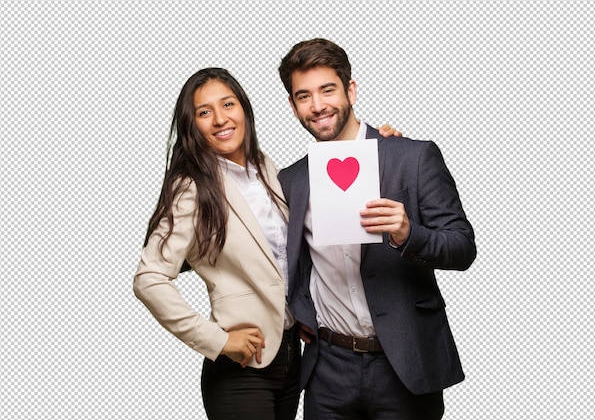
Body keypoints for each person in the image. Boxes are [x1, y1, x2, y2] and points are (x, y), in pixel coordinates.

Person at [133, 67, 400, 419]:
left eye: (228, 104)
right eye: (204, 112)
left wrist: (379, 145)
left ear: (244, 109)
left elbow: (297, 252)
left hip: (292, 359)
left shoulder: (268, 170)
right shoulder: (192, 187)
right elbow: (149, 279)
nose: (219, 119)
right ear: (192, 125)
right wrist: (218, 340)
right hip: (240, 367)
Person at [277, 38, 477, 419]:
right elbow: (286, 257)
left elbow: (463, 247)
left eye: (327, 90)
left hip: (403, 364)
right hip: (328, 371)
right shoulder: (291, 181)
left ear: (351, 90)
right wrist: (299, 308)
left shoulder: (411, 157)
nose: (317, 106)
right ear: (292, 105)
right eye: (304, 96)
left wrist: (408, 233)